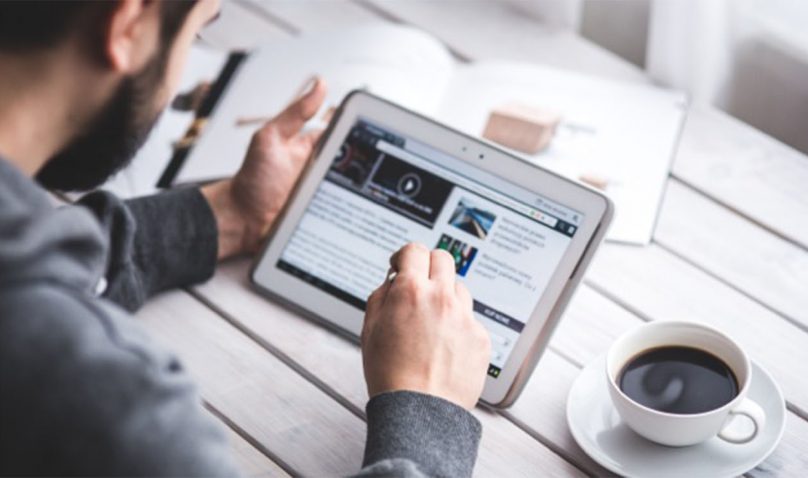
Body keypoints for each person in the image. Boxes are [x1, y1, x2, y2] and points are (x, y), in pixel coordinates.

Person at [0, 1, 492, 476]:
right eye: (195, 33)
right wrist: (427, 407)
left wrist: (228, 214)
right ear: (127, 23)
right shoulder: (104, 404)